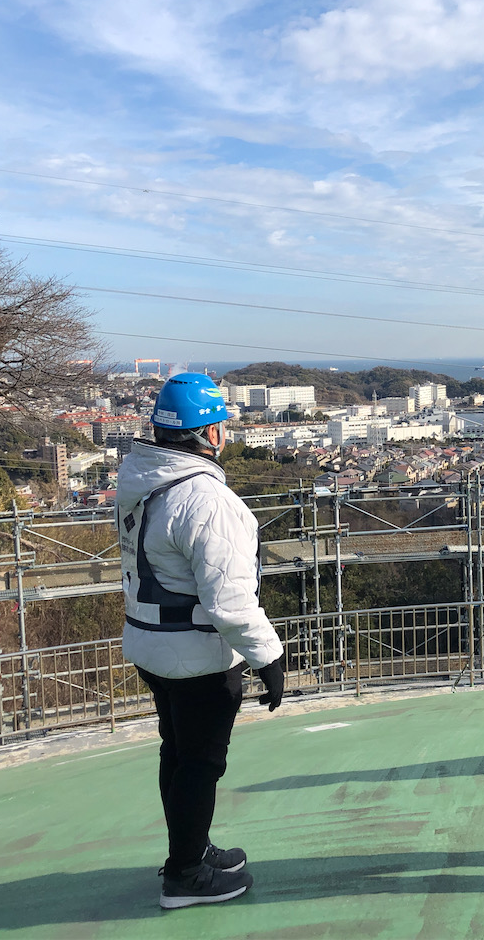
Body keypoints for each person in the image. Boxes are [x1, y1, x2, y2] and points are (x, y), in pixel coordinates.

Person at [118, 372, 286, 909]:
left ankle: (188, 851)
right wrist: (270, 658)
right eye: (221, 425)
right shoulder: (206, 499)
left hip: (151, 641)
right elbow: (230, 601)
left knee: (179, 754)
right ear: (209, 431)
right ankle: (186, 875)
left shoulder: (141, 476)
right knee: (200, 764)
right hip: (195, 654)